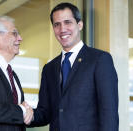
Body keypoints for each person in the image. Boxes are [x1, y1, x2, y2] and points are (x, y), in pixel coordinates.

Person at [24, 2, 119, 131]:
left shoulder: (99, 60)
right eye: (57, 24)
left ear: (80, 25)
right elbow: (45, 113)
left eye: (68, 22)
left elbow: (109, 112)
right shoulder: (49, 69)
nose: (62, 29)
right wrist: (27, 113)